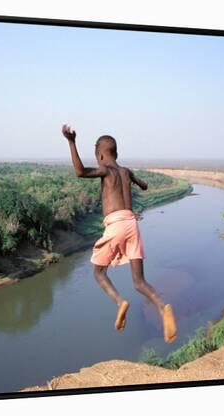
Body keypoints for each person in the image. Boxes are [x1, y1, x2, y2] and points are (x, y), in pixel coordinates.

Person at [62, 123, 177, 343]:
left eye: (97, 157)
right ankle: (162, 307)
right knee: (139, 281)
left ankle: (119, 302)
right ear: (117, 153)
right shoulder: (126, 172)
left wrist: (71, 141)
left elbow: (80, 172)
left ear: (101, 156)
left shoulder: (105, 170)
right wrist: (138, 184)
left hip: (115, 224)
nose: (98, 161)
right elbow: (142, 185)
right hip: (132, 224)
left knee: (98, 273)